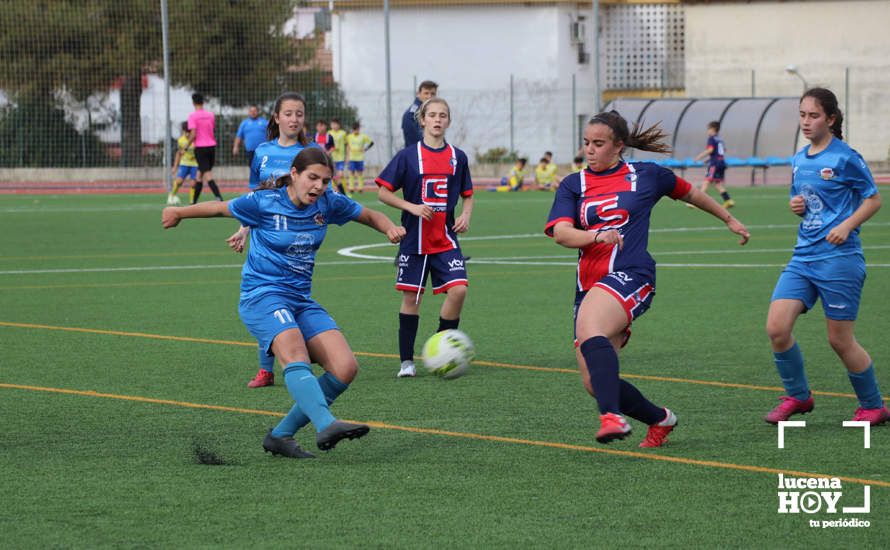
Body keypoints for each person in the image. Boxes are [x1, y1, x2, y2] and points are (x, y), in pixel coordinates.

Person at [162, 147, 407, 458]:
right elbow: (219, 208)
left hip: (300, 300)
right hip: (262, 295)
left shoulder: (328, 203)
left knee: (345, 368)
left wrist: (389, 228)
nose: (318, 186)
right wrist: (179, 213)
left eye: (325, 180)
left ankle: (280, 436)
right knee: (294, 352)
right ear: (294, 174)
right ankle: (326, 423)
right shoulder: (264, 202)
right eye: (312, 178)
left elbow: (369, 214)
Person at [545, 110, 749, 447]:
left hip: (632, 274)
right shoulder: (573, 184)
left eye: (599, 143)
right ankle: (661, 419)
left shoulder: (647, 176)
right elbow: (562, 233)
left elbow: (691, 193)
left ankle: (611, 417)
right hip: (589, 286)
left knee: (590, 327)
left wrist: (728, 219)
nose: (590, 150)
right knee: (594, 382)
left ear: (619, 146)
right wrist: (597, 235)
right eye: (586, 143)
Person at [764, 87, 888, 426]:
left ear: (830, 119)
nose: (806, 121)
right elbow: (804, 202)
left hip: (839, 259)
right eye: (802, 115)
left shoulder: (845, 157)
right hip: (803, 256)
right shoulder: (800, 158)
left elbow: (873, 199)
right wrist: (797, 206)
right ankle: (799, 397)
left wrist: (847, 225)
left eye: (813, 115)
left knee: (839, 339)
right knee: (776, 327)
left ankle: (873, 405)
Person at [376, 97, 474, 378]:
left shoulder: (458, 156)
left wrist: (466, 215)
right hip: (414, 240)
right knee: (411, 300)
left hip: (445, 238)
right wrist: (411, 207)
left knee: (459, 290)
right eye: (432, 115)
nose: (437, 120)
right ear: (422, 120)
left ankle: (442, 348)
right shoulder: (408, 156)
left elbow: (468, 194)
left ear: (448, 121)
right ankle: (406, 362)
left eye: (443, 115)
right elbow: (383, 192)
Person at [228, 91, 314, 389]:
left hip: (296, 239)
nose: (294, 119)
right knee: (266, 295)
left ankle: (298, 351)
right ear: (276, 117)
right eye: (288, 113)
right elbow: (255, 197)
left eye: (299, 114)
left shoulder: (310, 152)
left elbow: (322, 191)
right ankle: (266, 369)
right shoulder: (262, 152)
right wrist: (244, 228)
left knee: (288, 298)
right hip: (265, 236)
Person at [187, 93, 224, 202]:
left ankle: (219, 197)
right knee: (200, 174)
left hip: (200, 148)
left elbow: (193, 134)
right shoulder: (211, 115)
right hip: (211, 147)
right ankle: (194, 202)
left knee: (207, 174)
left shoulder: (192, 116)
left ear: (193, 103)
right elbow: (211, 128)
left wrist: (185, 146)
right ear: (203, 102)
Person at [691, 121, 734, 208]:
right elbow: (722, 151)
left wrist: (698, 157)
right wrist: (709, 159)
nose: (708, 131)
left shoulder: (711, 139)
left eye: (708, 129)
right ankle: (728, 200)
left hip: (714, 164)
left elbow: (710, 150)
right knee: (717, 183)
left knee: (706, 182)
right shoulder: (720, 139)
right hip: (721, 162)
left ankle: (697, 202)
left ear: (713, 129)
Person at [167, 122, 198, 205]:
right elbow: (179, 153)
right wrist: (175, 166)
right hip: (184, 163)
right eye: (186, 132)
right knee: (179, 181)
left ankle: (192, 202)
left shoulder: (196, 140)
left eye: (189, 132)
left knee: (193, 184)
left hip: (195, 164)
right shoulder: (181, 140)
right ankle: (172, 195)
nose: (188, 134)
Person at [402, 80, 438, 148]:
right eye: (426, 93)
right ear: (418, 94)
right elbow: (419, 139)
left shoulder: (431, 112)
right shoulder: (413, 114)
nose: (429, 97)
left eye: (432, 94)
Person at [232, 104, 268, 168]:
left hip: (263, 150)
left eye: (255, 111)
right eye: (251, 111)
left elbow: (271, 134)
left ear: (258, 112)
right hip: (250, 150)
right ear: (249, 112)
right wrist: (236, 147)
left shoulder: (264, 122)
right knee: (252, 168)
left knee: (263, 168)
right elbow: (239, 136)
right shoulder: (244, 123)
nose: (253, 112)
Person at [345, 121, 374, 195]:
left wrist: (365, 149)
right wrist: (347, 157)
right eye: (354, 129)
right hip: (352, 158)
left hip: (360, 158)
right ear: (352, 129)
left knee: (360, 173)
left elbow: (371, 143)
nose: (356, 131)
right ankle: (351, 188)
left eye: (357, 129)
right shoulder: (349, 137)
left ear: (359, 129)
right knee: (351, 173)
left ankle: (360, 188)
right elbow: (347, 146)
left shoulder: (363, 136)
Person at [329, 118, 348, 195]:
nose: (334, 126)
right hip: (332, 158)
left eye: (335, 124)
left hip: (340, 158)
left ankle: (345, 192)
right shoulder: (329, 133)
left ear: (339, 125)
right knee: (333, 177)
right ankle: (336, 192)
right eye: (332, 124)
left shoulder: (343, 133)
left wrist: (347, 157)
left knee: (340, 175)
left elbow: (346, 145)